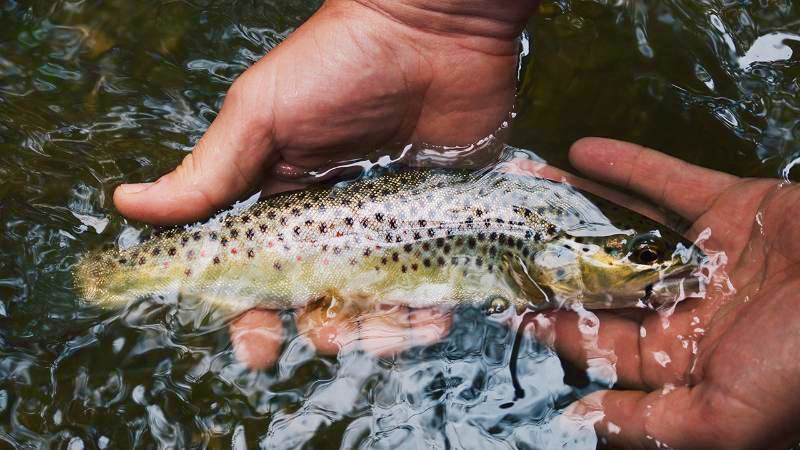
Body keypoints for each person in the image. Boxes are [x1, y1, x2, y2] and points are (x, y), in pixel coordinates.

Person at [111, 1, 800, 448]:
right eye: (645, 255)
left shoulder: (533, 238)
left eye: (650, 257)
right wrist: (423, 16)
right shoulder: (535, 239)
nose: (668, 263)